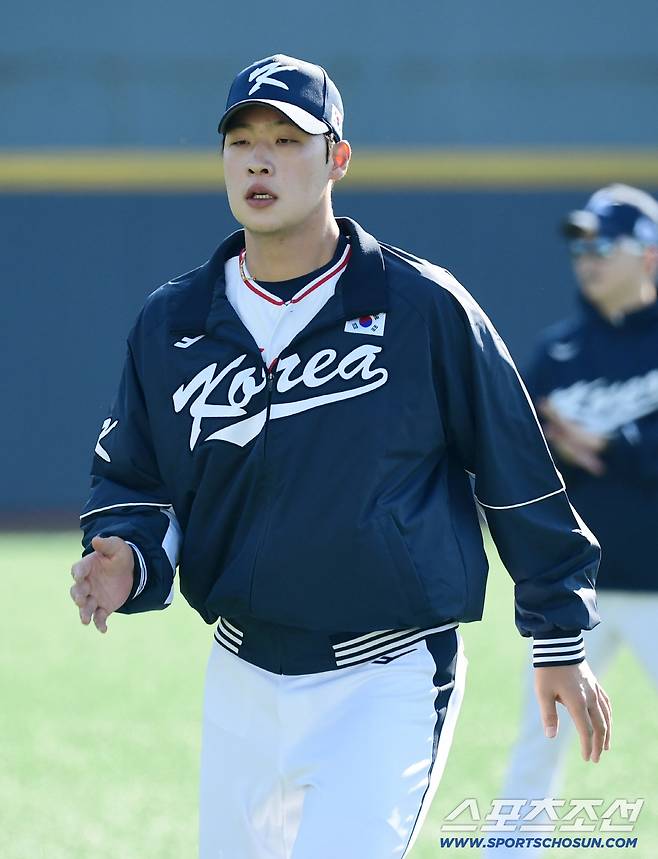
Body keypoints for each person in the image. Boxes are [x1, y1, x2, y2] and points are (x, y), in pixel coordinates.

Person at [69, 54, 611, 859]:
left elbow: (517, 471)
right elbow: (135, 480)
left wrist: (558, 633)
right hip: (241, 673)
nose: (260, 160)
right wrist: (128, 556)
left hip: (384, 676)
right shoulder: (174, 321)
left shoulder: (421, 305)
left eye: (288, 140)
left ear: (338, 159)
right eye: (242, 141)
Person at [484, 184, 658, 858]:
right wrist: (573, 447)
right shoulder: (560, 350)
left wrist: (607, 446)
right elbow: (519, 452)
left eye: (604, 244)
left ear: (648, 255)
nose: (588, 258)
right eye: (581, 247)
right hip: (578, 588)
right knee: (542, 734)